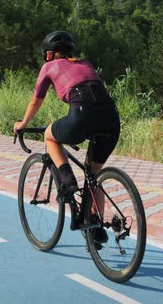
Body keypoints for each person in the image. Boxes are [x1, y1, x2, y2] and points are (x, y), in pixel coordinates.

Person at [13, 31, 120, 244]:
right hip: (111, 118)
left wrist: (22, 124)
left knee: (49, 136)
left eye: (46, 55)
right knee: (93, 176)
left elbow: (36, 102)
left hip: (82, 114)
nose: (46, 59)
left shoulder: (48, 67)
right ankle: (95, 224)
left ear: (50, 54)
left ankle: (67, 180)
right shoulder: (85, 63)